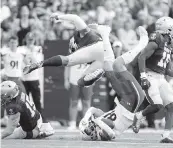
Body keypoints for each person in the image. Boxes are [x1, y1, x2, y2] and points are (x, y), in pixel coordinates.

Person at [79, 26, 148, 141]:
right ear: (93, 135)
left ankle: (105, 33)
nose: (89, 127)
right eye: (89, 130)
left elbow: (93, 109)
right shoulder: (103, 133)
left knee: (114, 65)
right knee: (114, 66)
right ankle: (142, 43)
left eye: (88, 128)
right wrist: (96, 121)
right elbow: (111, 133)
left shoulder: (99, 123)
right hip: (130, 101)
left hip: (128, 101)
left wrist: (85, 119)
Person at [23, 13, 105, 87]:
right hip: (100, 54)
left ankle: (39, 64)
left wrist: (59, 16)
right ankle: (95, 73)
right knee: (81, 80)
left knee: (68, 60)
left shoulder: (87, 33)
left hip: (98, 50)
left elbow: (75, 17)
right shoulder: (88, 37)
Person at [133, 17, 173, 143]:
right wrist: (143, 76)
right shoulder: (158, 39)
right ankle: (139, 115)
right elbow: (142, 57)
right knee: (157, 106)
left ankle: (166, 135)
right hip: (150, 75)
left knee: (171, 106)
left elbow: (167, 68)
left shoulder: (168, 44)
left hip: (161, 78)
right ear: (168, 29)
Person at [20, 32, 44, 117]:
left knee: (37, 100)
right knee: (24, 101)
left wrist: (30, 52)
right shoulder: (21, 49)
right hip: (24, 79)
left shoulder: (38, 48)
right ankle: (25, 119)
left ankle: (40, 119)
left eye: (32, 39)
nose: (30, 41)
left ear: (34, 40)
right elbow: (24, 62)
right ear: (25, 40)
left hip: (34, 78)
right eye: (28, 39)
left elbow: (36, 63)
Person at [64, 63, 93, 130]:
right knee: (74, 102)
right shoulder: (72, 52)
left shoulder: (91, 52)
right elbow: (67, 67)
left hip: (87, 79)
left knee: (86, 102)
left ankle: (85, 123)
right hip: (74, 80)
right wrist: (66, 79)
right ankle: (72, 123)